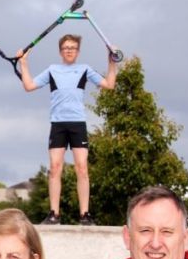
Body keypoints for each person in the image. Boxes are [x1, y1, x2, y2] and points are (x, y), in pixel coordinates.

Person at [18, 34, 117, 226]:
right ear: (60, 51)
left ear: (78, 51)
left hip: (77, 123)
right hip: (58, 124)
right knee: (55, 169)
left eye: (73, 48)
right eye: (66, 48)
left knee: (82, 168)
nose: (69, 50)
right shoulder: (53, 70)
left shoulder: (84, 69)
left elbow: (109, 84)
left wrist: (111, 61)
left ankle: (85, 214)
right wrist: (24, 62)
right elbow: (29, 86)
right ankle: (54, 214)